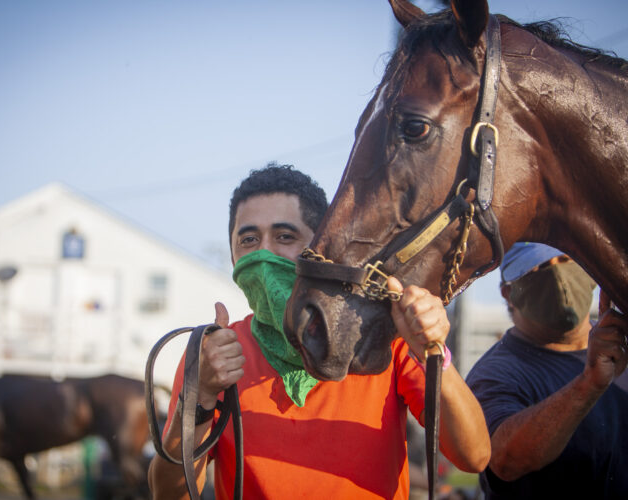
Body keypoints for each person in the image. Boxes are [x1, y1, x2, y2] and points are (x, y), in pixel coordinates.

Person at [148, 163, 490, 499]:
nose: (264, 253)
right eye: (249, 239)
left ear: (321, 246)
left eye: (285, 237)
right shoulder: (213, 357)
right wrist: (201, 398)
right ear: (234, 255)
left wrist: (432, 351)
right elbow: (167, 494)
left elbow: (473, 456)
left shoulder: (383, 338)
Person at [465, 242, 628, 499]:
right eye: (539, 268)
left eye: (567, 261)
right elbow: (504, 460)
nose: (558, 276)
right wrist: (590, 383)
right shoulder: (496, 372)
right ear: (509, 293)